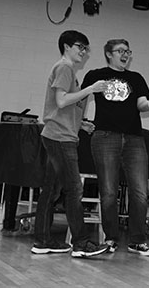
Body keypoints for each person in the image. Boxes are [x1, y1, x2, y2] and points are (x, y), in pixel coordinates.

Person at [82, 38, 149, 257]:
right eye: (120, 51)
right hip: (105, 136)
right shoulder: (95, 74)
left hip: (134, 138)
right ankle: (110, 238)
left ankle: (137, 241)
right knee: (108, 191)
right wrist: (80, 121)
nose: (126, 54)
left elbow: (141, 103)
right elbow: (82, 99)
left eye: (128, 51)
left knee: (139, 191)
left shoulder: (135, 78)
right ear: (109, 54)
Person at [32, 30, 110, 258]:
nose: (83, 52)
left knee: (51, 191)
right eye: (80, 47)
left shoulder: (67, 70)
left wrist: (81, 123)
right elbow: (62, 100)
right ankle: (81, 244)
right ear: (67, 46)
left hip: (58, 134)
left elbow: (63, 107)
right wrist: (90, 89)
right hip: (60, 138)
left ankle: (42, 241)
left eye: (86, 48)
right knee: (74, 189)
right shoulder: (64, 68)